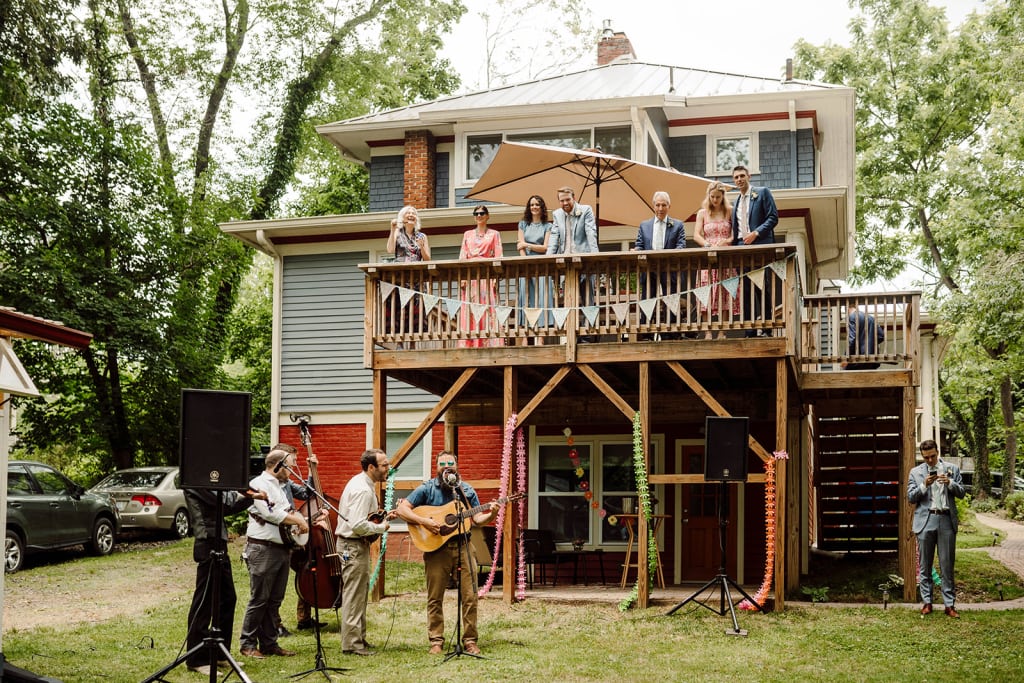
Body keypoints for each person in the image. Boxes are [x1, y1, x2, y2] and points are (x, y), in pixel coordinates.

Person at [397, 451, 499, 655]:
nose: (446, 467)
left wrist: (493, 513)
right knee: (435, 596)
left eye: (450, 463)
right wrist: (425, 521)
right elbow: (402, 510)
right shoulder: (427, 488)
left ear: (457, 466)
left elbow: (477, 520)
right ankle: (436, 640)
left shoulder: (466, 490)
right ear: (436, 467)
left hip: (464, 545)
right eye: (442, 463)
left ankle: (470, 640)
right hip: (436, 549)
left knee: (470, 596)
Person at [184, 486, 267, 676]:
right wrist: (250, 494)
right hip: (206, 542)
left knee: (228, 598)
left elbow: (227, 506)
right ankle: (196, 659)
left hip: (219, 542)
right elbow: (224, 501)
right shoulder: (196, 480)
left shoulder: (209, 479)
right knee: (204, 602)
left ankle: (220, 654)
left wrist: (251, 497)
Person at [239, 449, 310, 659]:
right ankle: (247, 644)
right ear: (278, 466)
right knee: (259, 599)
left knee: (275, 600)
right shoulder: (259, 485)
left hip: (281, 548)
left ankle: (269, 643)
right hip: (262, 549)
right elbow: (270, 513)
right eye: (289, 466)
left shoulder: (279, 487)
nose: (292, 471)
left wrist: (298, 526)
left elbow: (288, 511)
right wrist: (298, 520)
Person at [334, 448, 396, 656]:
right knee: (353, 594)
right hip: (352, 545)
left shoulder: (362, 483)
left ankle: (358, 638)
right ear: (371, 467)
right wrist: (381, 528)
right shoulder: (362, 490)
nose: (388, 468)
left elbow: (364, 518)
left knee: (359, 593)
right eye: (384, 465)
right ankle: (352, 644)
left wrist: (383, 517)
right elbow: (358, 524)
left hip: (354, 545)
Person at [270, 443, 326, 636]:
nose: (293, 466)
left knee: (306, 571)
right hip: (278, 537)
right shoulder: (270, 485)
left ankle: (304, 618)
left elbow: (306, 493)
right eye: (291, 461)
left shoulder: (286, 484)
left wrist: (311, 471)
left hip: (293, 535)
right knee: (276, 586)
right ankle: (275, 624)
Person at [908, 439, 965, 618]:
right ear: (922, 456)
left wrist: (950, 483)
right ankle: (927, 602)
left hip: (946, 519)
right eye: (926, 458)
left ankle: (949, 604)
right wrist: (924, 485)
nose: (930, 460)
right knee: (925, 565)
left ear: (938, 452)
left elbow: (962, 493)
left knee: (947, 564)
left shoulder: (952, 469)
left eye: (932, 456)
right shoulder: (916, 472)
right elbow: (910, 497)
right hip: (926, 520)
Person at [730, 165, 778, 336]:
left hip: (760, 246)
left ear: (749, 176)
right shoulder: (735, 202)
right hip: (741, 250)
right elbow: (735, 231)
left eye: (742, 176)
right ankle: (750, 329)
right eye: (736, 177)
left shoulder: (762, 192)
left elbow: (773, 217)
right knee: (746, 289)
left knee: (761, 286)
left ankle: (766, 327)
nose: (739, 179)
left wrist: (756, 233)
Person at [546, 186, 599, 342]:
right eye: (562, 200)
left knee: (588, 298)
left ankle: (589, 334)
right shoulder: (557, 214)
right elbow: (554, 237)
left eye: (567, 199)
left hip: (585, 262)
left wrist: (595, 257)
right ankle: (573, 335)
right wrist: (548, 258)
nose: (565, 203)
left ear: (573, 198)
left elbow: (591, 233)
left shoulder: (585, 210)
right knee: (571, 300)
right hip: (567, 265)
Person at [634, 190, 687, 340]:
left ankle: (670, 333)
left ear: (669, 206)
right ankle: (646, 333)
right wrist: (636, 250)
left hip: (669, 269)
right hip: (649, 268)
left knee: (670, 298)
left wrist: (668, 257)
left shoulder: (677, 225)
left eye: (664, 205)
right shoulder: (644, 225)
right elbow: (639, 244)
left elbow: (681, 246)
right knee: (647, 299)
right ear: (653, 206)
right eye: (657, 205)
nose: (660, 208)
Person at [693, 181, 739, 339]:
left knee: (726, 291)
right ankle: (707, 331)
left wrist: (725, 241)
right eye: (712, 197)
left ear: (723, 196)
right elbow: (696, 235)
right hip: (708, 256)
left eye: (718, 197)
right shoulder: (702, 213)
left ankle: (722, 331)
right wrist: (707, 244)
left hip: (726, 256)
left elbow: (735, 235)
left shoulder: (730, 211)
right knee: (707, 292)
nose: (715, 200)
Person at [458, 205, 504, 348]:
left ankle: (489, 342)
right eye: (476, 213)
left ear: (487, 216)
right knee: (470, 309)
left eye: (482, 213)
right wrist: (463, 277)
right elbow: (462, 256)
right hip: (471, 277)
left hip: (486, 276)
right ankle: (470, 342)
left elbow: (498, 255)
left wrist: (496, 277)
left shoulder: (494, 234)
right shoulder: (467, 234)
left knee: (487, 308)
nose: (479, 216)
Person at [383, 205, 430, 342]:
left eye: (413, 213)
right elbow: (390, 250)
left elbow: (427, 259)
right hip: (400, 278)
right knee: (399, 308)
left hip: (416, 279)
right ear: (402, 217)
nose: (411, 215)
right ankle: (398, 340)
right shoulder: (398, 233)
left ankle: (414, 341)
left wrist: (421, 247)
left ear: (416, 218)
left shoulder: (422, 236)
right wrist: (392, 229)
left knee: (416, 310)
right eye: (408, 213)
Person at [515, 195, 554, 341]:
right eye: (532, 205)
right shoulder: (523, 224)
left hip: (542, 266)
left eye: (537, 204)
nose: (534, 207)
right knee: (526, 299)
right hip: (526, 266)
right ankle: (525, 337)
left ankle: (541, 338)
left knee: (542, 300)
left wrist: (527, 245)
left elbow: (545, 247)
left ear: (542, 207)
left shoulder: (548, 226)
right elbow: (520, 246)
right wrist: (526, 258)